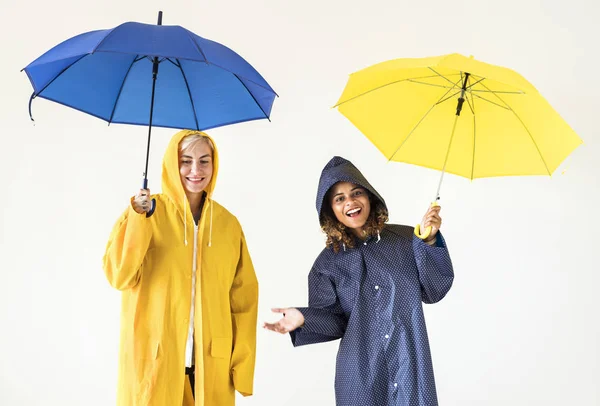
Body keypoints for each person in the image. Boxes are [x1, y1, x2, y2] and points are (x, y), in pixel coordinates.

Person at [263, 156, 454, 406]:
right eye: (339, 198)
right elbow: (336, 323)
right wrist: (303, 317)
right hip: (361, 377)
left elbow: (434, 290)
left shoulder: (407, 239)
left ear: (370, 197)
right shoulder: (326, 265)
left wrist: (428, 242)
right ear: (329, 209)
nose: (350, 202)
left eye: (356, 193)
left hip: (409, 365)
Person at [103, 130, 258, 406]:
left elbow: (244, 301)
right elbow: (118, 275)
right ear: (172, 165)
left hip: (209, 368)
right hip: (155, 364)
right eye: (185, 161)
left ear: (214, 164)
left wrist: (242, 367)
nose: (195, 170)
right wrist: (137, 218)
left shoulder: (228, 225)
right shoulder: (147, 213)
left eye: (204, 161)